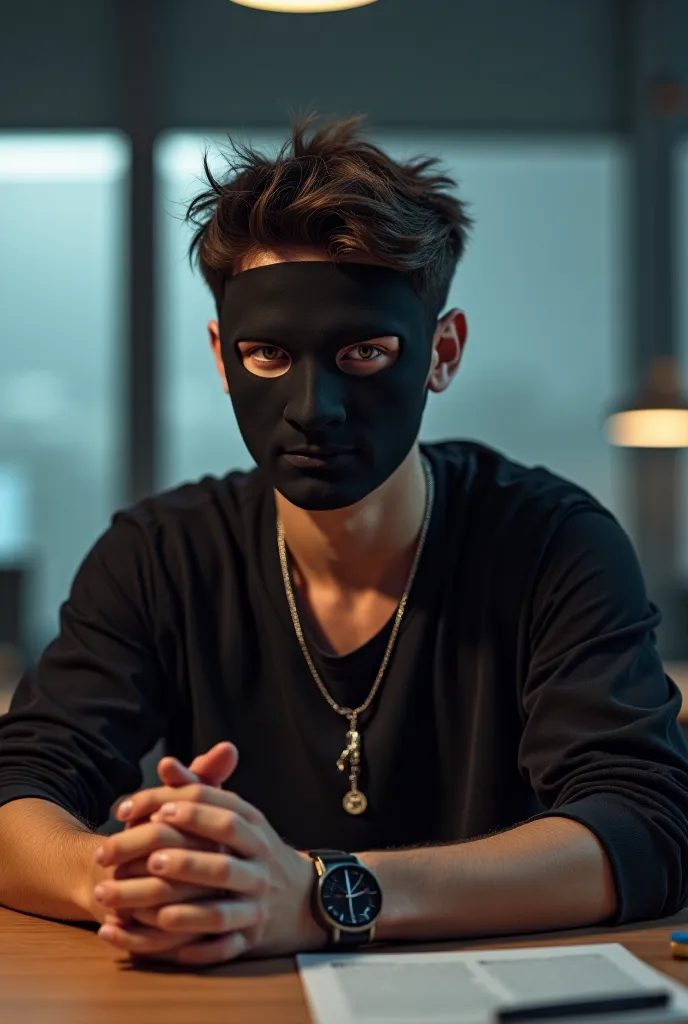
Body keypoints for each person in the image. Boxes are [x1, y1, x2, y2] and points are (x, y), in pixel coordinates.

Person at [1, 114, 687, 969]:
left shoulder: (552, 543)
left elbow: (645, 829)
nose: (313, 409)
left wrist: (321, 895)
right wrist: (134, 877)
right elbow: (19, 787)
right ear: (221, 356)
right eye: (266, 355)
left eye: (363, 352)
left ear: (442, 352)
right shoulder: (160, 553)